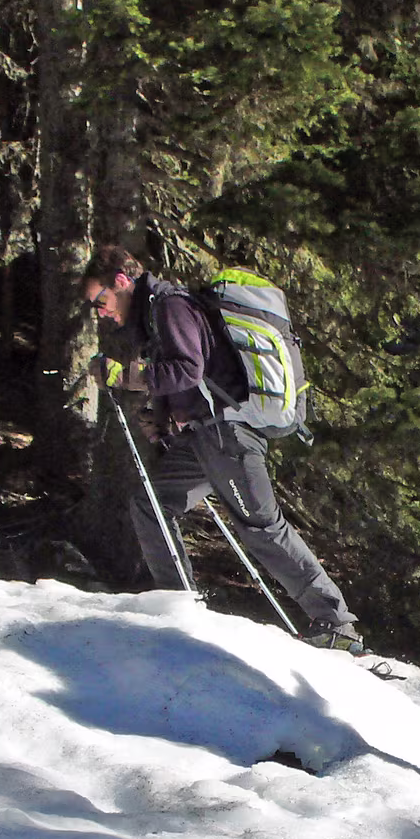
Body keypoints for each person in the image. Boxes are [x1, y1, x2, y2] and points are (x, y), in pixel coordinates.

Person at [83, 245, 362, 650]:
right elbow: (192, 376)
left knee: (261, 527)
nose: (101, 312)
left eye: (100, 300)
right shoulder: (155, 316)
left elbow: (187, 368)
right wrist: (162, 415)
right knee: (151, 504)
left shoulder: (169, 305)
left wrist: (125, 375)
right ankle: (179, 606)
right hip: (204, 435)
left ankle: (337, 624)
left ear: (121, 282)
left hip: (227, 434)